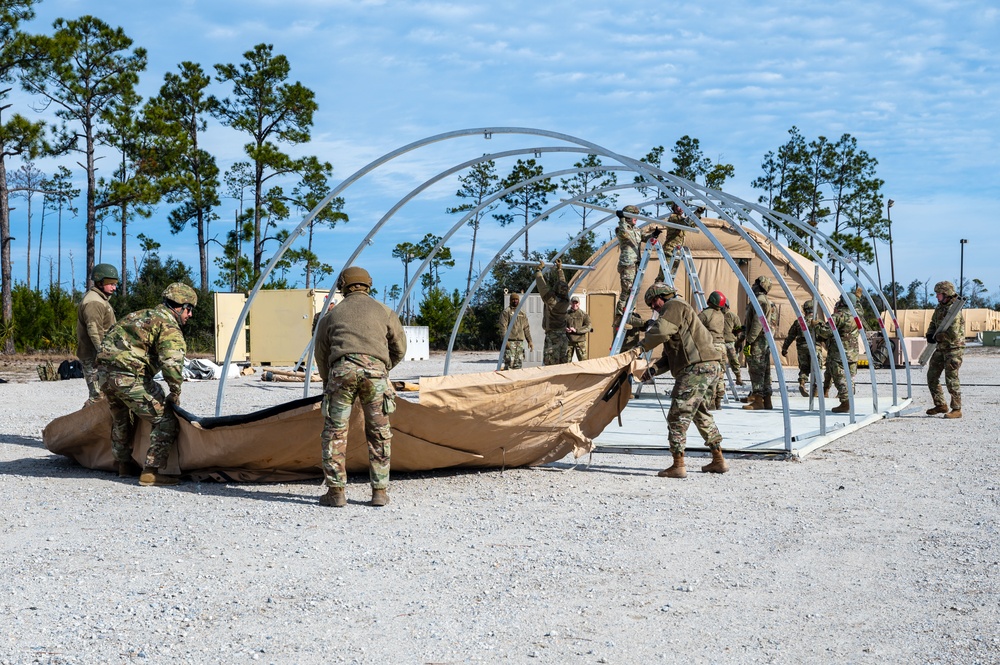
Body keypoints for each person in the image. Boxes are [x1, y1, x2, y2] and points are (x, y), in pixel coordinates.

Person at [315, 266, 407, 507]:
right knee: (379, 433)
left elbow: (321, 353)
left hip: (341, 372)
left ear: (342, 285)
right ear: (368, 284)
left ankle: (336, 493)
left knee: (335, 433)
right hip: (375, 375)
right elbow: (399, 348)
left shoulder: (331, 316)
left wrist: (328, 382)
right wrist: (381, 368)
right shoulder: (384, 311)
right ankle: (379, 492)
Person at [97, 282, 196, 486]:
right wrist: (175, 393)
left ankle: (124, 466)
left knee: (122, 418)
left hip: (105, 376)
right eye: (189, 310)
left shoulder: (138, 315)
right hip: (129, 377)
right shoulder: (169, 326)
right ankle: (150, 472)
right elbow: (172, 363)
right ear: (181, 307)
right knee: (165, 420)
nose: (190, 316)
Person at [638, 283, 728, 478]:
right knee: (700, 413)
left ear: (663, 295)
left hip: (696, 368)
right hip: (706, 365)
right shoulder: (678, 313)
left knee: (677, 415)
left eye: (654, 302)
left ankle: (678, 464)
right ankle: (718, 459)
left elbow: (660, 332)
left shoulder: (673, 306)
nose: (654, 307)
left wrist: (640, 347)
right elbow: (671, 356)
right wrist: (653, 369)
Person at [76, 263, 119, 404]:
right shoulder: (94, 301)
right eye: (110, 283)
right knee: (97, 399)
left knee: (106, 397)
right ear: (100, 282)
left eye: (115, 283)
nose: (114, 287)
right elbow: (94, 331)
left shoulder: (100, 299)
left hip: (99, 356)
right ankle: (80, 426)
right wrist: (103, 355)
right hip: (94, 357)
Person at [925, 280, 964, 419]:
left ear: (946, 294)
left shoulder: (954, 310)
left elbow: (953, 332)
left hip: (953, 349)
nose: (936, 297)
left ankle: (956, 409)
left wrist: (937, 337)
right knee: (932, 376)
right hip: (941, 348)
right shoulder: (940, 308)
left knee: (951, 379)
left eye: (939, 294)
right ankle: (940, 404)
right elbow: (933, 323)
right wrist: (930, 334)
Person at [817, 293, 861, 413]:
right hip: (853, 354)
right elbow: (859, 308)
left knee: (839, 378)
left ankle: (845, 402)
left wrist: (816, 325)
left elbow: (825, 332)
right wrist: (857, 298)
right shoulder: (856, 316)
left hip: (839, 354)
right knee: (850, 378)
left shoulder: (838, 316)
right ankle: (849, 400)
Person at [614, 205, 661, 313]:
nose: (636, 218)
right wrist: (621, 219)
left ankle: (630, 312)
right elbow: (624, 233)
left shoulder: (637, 230)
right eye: (633, 216)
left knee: (634, 291)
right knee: (627, 290)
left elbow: (645, 238)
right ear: (628, 217)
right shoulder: (620, 228)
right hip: (628, 264)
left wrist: (654, 235)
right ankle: (620, 314)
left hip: (636, 264)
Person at [741, 276, 778, 410]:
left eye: (756, 284)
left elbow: (758, 322)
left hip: (757, 341)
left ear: (761, 286)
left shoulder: (760, 301)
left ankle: (758, 400)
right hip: (762, 341)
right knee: (765, 370)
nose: (753, 285)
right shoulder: (763, 301)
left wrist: (749, 341)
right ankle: (767, 399)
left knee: (756, 369)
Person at [535, 259, 571, 366]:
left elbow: (542, 285)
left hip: (553, 335)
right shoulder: (566, 300)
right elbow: (563, 285)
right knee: (563, 363)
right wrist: (560, 270)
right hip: (563, 336)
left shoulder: (551, 301)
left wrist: (538, 270)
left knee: (551, 364)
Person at [697, 291, 728, 409]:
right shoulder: (721, 314)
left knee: (709, 374)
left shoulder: (705, 314)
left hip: (711, 346)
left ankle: (710, 401)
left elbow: (695, 326)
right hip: (722, 346)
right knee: (720, 374)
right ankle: (718, 401)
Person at [781, 299, 818, 397]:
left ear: (804, 310)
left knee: (804, 367)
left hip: (802, 348)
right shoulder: (817, 321)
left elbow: (790, 336)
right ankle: (816, 389)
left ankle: (802, 382)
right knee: (816, 369)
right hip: (815, 348)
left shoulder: (798, 322)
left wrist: (785, 348)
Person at [499, 292, 533, 370]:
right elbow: (503, 327)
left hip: (520, 344)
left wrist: (529, 341)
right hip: (510, 342)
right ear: (510, 301)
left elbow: (526, 328)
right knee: (509, 364)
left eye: (516, 299)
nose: (515, 301)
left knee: (518, 364)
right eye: (513, 299)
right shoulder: (506, 312)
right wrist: (505, 340)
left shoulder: (522, 313)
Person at [722, 301, 744, 386]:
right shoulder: (717, 315)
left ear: (727, 305)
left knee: (734, 361)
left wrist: (739, 341)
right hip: (720, 342)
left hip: (730, 342)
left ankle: (738, 378)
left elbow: (738, 329)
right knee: (720, 362)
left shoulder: (733, 316)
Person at [565, 295, 593, 362]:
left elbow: (588, 327)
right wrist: (565, 329)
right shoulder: (566, 314)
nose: (575, 304)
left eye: (576, 303)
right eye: (573, 303)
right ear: (570, 303)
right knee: (566, 362)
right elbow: (561, 324)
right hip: (568, 341)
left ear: (579, 304)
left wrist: (576, 330)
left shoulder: (583, 314)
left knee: (583, 362)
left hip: (580, 342)